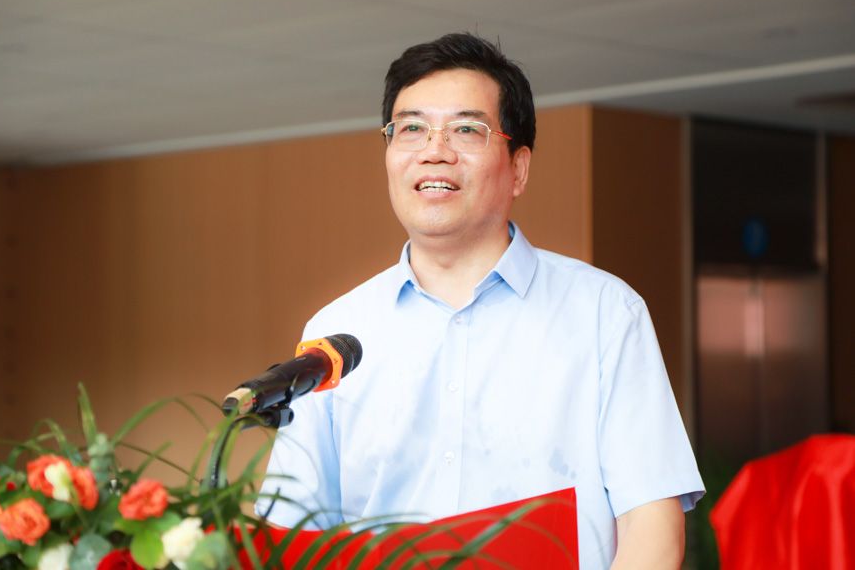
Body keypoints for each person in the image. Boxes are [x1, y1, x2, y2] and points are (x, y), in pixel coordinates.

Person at [257, 33, 704, 568]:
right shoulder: (339, 330)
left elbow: (650, 522)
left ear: (519, 168)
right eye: (411, 128)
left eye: (466, 129)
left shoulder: (604, 312)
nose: (434, 151)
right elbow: (290, 532)